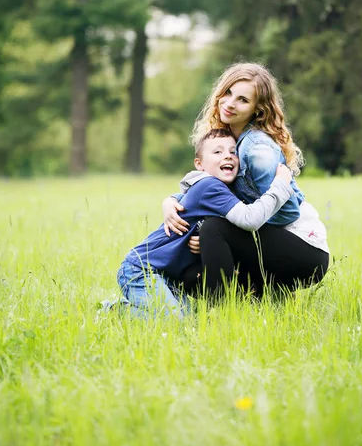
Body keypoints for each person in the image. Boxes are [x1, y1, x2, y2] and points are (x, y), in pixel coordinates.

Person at [163, 62, 329, 296]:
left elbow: (287, 213)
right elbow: (210, 187)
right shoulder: (229, 139)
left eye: (243, 99)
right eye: (228, 93)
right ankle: (267, 296)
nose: (230, 103)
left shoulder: (257, 151)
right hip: (272, 244)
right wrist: (171, 201)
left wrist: (228, 234)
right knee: (191, 278)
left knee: (213, 230)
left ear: (258, 109)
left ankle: (218, 313)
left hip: (304, 250)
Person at [117, 129, 294, 319]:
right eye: (217, 152)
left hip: (167, 277)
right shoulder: (210, 186)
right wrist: (280, 185)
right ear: (199, 164)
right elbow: (250, 219)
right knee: (174, 322)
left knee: (189, 319)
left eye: (233, 152)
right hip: (142, 269)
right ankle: (115, 311)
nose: (227, 156)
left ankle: (129, 307)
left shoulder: (222, 190)